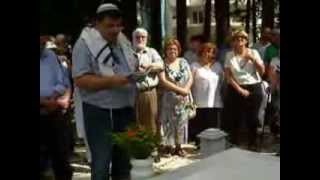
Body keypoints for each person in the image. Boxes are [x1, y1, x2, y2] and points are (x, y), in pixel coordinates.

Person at [72, 3, 138, 180]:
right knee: (101, 165)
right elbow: (80, 79)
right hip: (99, 112)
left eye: (118, 25)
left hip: (125, 110)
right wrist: (112, 81)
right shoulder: (85, 43)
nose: (115, 30)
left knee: (124, 164)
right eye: (110, 26)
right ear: (97, 24)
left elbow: (129, 66)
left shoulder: (122, 41)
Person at [223, 30, 265, 151]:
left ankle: (252, 142)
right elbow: (228, 76)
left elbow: (262, 71)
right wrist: (240, 89)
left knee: (252, 117)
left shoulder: (254, 52)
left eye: (242, 38)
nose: (239, 41)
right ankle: (234, 142)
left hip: (254, 87)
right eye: (237, 39)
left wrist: (253, 59)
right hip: (236, 87)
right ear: (233, 42)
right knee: (235, 116)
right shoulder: (229, 55)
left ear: (246, 41)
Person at [40, 36, 73, 180]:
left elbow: (62, 81)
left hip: (55, 112)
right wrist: (46, 103)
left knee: (61, 158)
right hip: (44, 108)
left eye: (42, 42)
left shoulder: (51, 55)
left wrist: (55, 99)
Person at [159, 38, 193, 156]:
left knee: (182, 122)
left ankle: (179, 147)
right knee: (168, 123)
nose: (172, 51)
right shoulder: (162, 63)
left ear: (178, 50)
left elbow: (190, 77)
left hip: (183, 98)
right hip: (169, 98)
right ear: (165, 51)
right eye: (169, 49)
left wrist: (186, 90)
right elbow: (163, 81)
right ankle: (168, 147)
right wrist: (180, 90)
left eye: (174, 48)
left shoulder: (183, 61)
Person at [189, 42, 224, 147]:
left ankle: (214, 146)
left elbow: (223, 81)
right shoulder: (194, 66)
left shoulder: (218, 66)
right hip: (199, 102)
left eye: (212, 52)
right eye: (207, 51)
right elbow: (190, 83)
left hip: (215, 102)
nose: (209, 54)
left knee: (214, 128)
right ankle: (200, 145)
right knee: (200, 128)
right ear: (201, 52)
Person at [132, 28, 164, 134]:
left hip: (148, 92)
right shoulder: (127, 52)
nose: (140, 39)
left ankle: (151, 149)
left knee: (150, 123)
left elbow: (161, 65)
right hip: (130, 93)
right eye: (137, 37)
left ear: (146, 39)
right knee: (133, 124)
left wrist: (149, 67)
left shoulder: (151, 52)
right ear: (133, 38)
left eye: (143, 37)